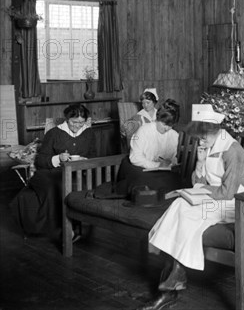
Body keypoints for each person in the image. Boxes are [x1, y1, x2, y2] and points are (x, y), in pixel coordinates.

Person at [138, 104, 244, 310]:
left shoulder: (234, 152)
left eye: (204, 135)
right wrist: (200, 163)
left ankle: (169, 291)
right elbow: (198, 181)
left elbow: (227, 192)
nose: (201, 140)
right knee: (179, 205)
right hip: (212, 198)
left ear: (217, 129)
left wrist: (199, 192)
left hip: (233, 204)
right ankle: (170, 286)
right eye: (199, 136)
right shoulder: (208, 146)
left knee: (187, 217)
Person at [10, 103, 97, 241]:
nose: (77, 126)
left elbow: (94, 156)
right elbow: (41, 160)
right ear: (67, 119)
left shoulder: (89, 133)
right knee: (56, 187)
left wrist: (83, 160)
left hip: (77, 173)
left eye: (81, 122)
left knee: (72, 186)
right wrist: (58, 158)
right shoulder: (54, 133)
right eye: (74, 122)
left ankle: (69, 229)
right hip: (49, 172)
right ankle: (62, 230)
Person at [115, 99, 182, 198]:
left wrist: (171, 162)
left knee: (172, 179)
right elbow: (135, 158)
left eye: (170, 126)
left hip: (159, 169)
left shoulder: (174, 135)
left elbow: (172, 157)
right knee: (144, 181)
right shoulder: (144, 130)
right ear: (158, 119)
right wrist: (155, 165)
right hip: (137, 165)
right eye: (164, 124)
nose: (167, 128)